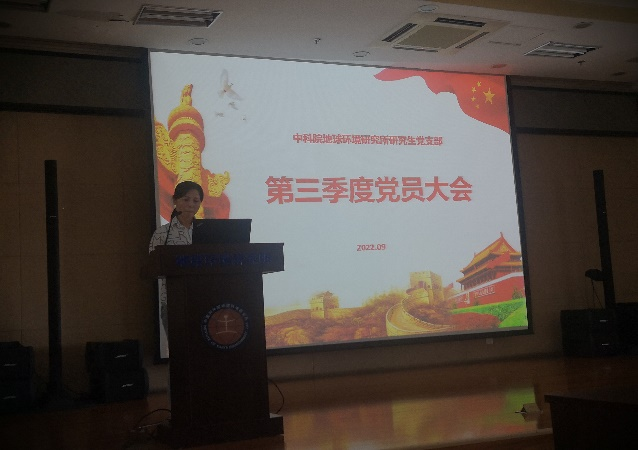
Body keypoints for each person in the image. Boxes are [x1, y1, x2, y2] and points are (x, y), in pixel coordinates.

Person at [149, 180, 204, 339]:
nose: (191, 204)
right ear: (175, 200)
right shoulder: (162, 234)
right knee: (179, 346)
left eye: (196, 201)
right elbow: (153, 266)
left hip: (202, 298)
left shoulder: (206, 232)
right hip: (172, 301)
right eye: (186, 199)